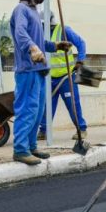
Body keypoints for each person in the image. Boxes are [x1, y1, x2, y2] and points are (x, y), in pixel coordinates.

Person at [9, 0, 71, 165]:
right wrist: (32, 48)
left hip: (40, 69)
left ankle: (31, 146)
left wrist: (55, 45)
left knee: (37, 110)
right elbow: (21, 34)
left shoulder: (34, 12)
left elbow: (39, 41)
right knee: (27, 109)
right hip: (27, 69)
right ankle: (20, 150)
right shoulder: (21, 10)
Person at [38, 12, 88, 141]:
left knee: (73, 104)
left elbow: (81, 43)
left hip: (66, 77)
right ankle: (44, 131)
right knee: (47, 105)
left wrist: (80, 61)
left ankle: (81, 130)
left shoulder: (64, 30)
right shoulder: (39, 33)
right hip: (49, 77)